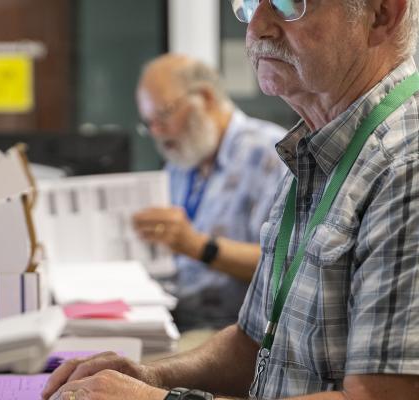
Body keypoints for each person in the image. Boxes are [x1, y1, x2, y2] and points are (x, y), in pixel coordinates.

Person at [42, 0, 419, 399]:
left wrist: (158, 399)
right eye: (249, 2)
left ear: (381, 14)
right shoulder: (315, 147)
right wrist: (149, 376)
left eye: (289, 3)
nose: (257, 28)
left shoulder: (405, 164)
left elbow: (380, 397)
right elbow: (253, 344)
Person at [132, 54, 287, 331]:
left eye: (163, 115)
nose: (157, 132)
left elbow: (285, 263)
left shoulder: (269, 153)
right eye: (149, 122)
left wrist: (198, 246)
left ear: (205, 97)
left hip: (234, 331)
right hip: (175, 316)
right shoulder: (181, 161)